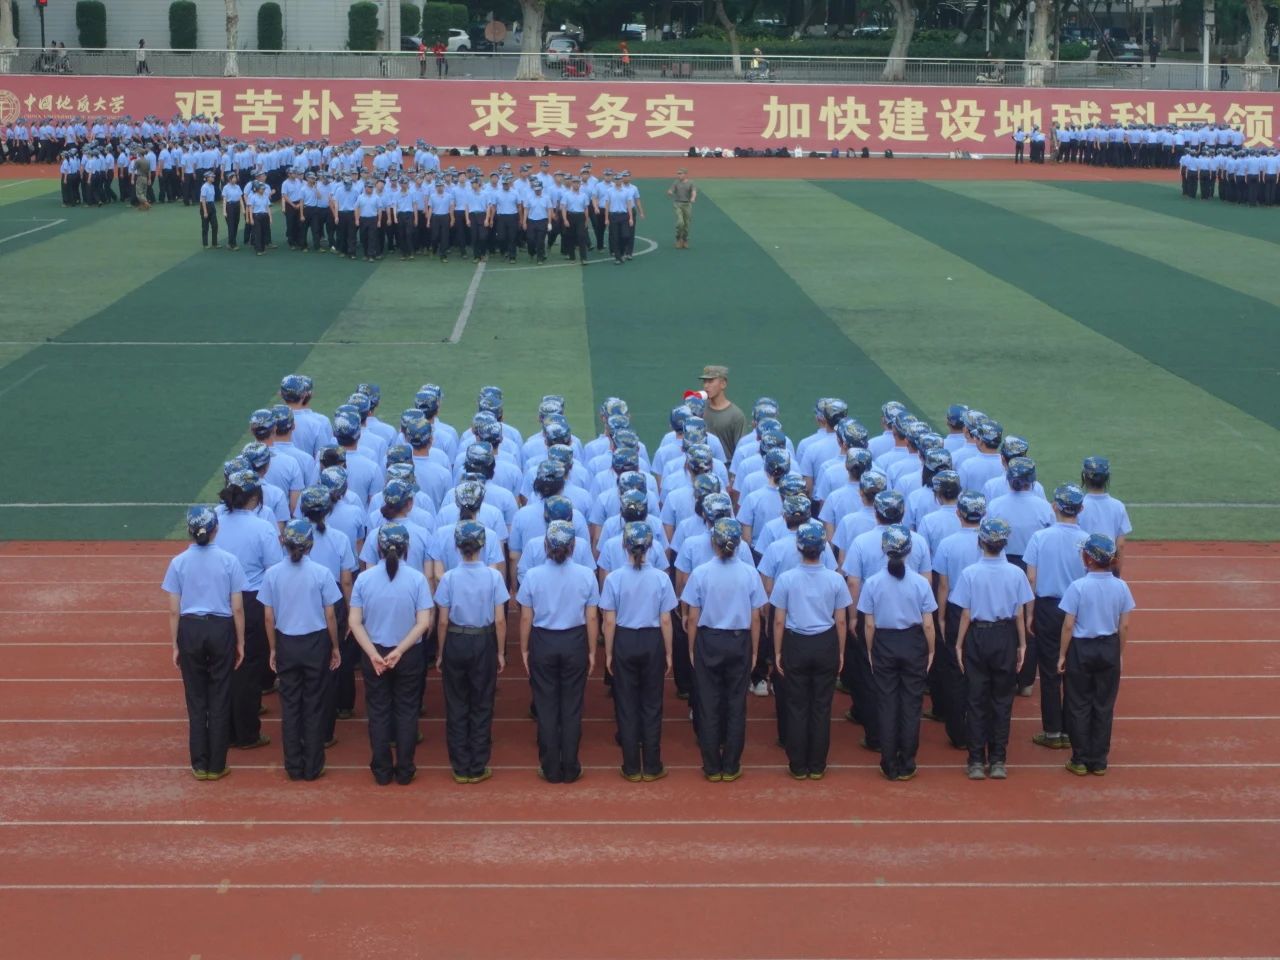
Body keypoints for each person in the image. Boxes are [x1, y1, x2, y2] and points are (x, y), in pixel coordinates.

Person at [162, 506, 247, 781]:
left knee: (196, 699)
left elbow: (174, 610)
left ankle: (199, 764)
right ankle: (217, 764)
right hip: (221, 628)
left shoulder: (178, 563)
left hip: (190, 628)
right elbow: (237, 607)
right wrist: (240, 641)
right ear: (216, 530)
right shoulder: (229, 561)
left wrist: (175, 644)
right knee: (220, 696)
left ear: (189, 531)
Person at [349, 524, 435, 785]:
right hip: (408, 653)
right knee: (407, 710)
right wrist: (399, 651)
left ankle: (382, 770)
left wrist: (373, 654)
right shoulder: (417, 579)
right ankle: (405, 769)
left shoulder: (364, 579)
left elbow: (355, 622)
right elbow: (424, 623)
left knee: (378, 711)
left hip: (374, 652)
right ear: (407, 548)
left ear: (378, 547)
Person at [683, 517, 767, 782]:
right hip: (739, 640)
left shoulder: (701, 573)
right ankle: (731, 765)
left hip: (709, 639)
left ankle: (711, 766)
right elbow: (756, 617)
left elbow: (693, 617)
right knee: (735, 702)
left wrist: (692, 648)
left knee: (708, 703)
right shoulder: (749, 573)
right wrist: (755, 650)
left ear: (713, 543)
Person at [951, 517, 1034, 780]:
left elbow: (966, 614)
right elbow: (1019, 613)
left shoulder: (970, 573)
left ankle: (976, 761)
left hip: (978, 635)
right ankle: (998, 760)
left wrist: (959, 643)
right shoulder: (1016, 573)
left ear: (980, 542)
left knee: (976, 700)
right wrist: (1022, 644)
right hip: (1005, 636)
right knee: (1002, 701)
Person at [259, 520, 341, 782]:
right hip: (315, 642)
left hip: (286, 641)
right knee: (314, 704)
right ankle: (313, 765)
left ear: (283, 543)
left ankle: (293, 765)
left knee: (290, 705)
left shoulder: (272, 574)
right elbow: (330, 615)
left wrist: (273, 648)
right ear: (310, 545)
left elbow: (269, 617)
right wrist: (335, 646)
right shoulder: (322, 573)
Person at [517, 521, 599, 783]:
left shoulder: (532, 576)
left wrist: (524, 649)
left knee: (546, 706)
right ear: (573, 546)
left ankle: (551, 767)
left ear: (545, 546)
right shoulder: (586, 575)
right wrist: (592, 650)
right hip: (574, 640)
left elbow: (526, 618)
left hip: (543, 640)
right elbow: (592, 617)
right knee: (572, 706)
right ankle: (571, 767)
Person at [769, 520, 851, 780]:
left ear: (799, 547)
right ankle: (817, 764)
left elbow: (779, 620)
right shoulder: (835, 579)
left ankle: (798, 764)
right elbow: (841, 621)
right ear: (823, 547)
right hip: (825, 642)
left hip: (797, 643)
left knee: (796, 705)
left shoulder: (786, 579)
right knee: (821, 706)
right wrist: (840, 652)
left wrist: (778, 651)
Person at [857, 524, 937, 781]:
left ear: (884, 549)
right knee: (912, 704)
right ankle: (908, 761)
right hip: (913, 642)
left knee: (887, 702)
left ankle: (889, 761)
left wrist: (871, 650)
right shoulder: (921, 583)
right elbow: (928, 624)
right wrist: (931, 650)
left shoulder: (872, 583)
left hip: (884, 642)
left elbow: (869, 624)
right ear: (909, 551)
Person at [600, 521, 677, 782]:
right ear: (650, 547)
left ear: (624, 545)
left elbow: (609, 620)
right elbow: (665, 619)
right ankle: (653, 765)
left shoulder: (614, 578)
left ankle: (631, 766)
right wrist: (668, 652)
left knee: (626, 704)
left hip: (624, 639)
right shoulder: (661, 578)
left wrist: (609, 653)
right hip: (652, 639)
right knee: (652, 704)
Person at [434, 520, 509, 784]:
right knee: (482, 702)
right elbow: (500, 620)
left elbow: (443, 621)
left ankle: (459, 765)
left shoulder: (449, 577)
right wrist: (501, 652)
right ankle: (477, 765)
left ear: (457, 547)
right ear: (482, 546)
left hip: (456, 640)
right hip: (483, 641)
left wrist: (440, 652)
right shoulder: (494, 576)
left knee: (456, 703)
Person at [215, 470, 283, 750]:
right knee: (248, 666)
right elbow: (274, 570)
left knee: (222, 666)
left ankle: (223, 729)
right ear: (254, 497)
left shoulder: (215, 520)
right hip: (251, 599)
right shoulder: (262, 527)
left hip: (218, 600)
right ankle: (245, 732)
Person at [1058, 534, 1135, 776]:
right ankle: (1099, 760)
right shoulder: (1121, 586)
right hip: (1109, 646)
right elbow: (1124, 625)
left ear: (1088, 558)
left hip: (1081, 648)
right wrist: (1119, 653)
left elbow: (1068, 625)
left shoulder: (1078, 586)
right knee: (1103, 705)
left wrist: (1062, 655)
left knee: (1078, 704)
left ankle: (1080, 759)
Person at [1024, 483, 1087, 751]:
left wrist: (1030, 612)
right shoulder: (1088, 540)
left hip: (1047, 608)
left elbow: (1031, 578)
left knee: (1050, 671)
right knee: (1074, 669)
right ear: (1081, 509)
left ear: (1054, 507)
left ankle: (1052, 731)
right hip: (1078, 608)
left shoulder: (1040, 537)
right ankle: (1073, 730)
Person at [1076, 457, 1132, 576]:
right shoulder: (1118, 506)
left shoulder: (1078, 506)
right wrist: (1116, 574)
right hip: (1107, 570)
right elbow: (1120, 546)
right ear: (1107, 478)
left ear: (1084, 477)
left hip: (1083, 570)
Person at [698, 365, 748, 460]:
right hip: (699, 465)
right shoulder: (699, 409)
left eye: (710, 381)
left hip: (725, 468)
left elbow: (741, 451)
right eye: (704, 381)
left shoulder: (736, 416)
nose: (706, 386)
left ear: (723, 384)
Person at [199, 171, 219, 248]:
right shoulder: (204, 187)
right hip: (205, 205)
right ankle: (205, 244)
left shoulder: (212, 186)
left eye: (213, 177)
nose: (213, 178)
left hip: (211, 205)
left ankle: (214, 243)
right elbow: (203, 200)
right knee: (205, 226)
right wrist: (205, 211)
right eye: (211, 177)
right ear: (207, 178)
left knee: (215, 225)